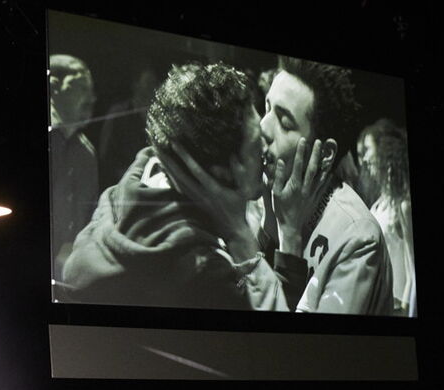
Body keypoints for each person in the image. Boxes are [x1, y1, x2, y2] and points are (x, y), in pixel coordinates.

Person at [62, 62, 305, 310]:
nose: (266, 148)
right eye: (255, 145)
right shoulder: (205, 275)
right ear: (220, 172)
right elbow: (278, 332)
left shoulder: (128, 189)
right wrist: (264, 235)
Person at [256, 56, 394, 314]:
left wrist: (289, 236)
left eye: (284, 122)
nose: (262, 127)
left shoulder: (358, 238)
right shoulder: (270, 196)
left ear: (325, 154)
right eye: (267, 108)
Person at [355, 118, 416, 316]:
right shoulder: (378, 203)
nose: (364, 159)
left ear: (383, 150)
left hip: (398, 305)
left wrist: (406, 308)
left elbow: (412, 268)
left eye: (367, 149)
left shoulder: (401, 204)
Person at [50, 54, 99, 282]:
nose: (91, 98)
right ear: (53, 87)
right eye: (82, 87)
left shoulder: (87, 153)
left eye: (92, 91)